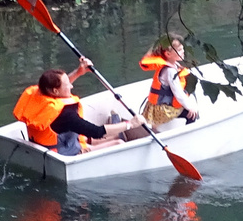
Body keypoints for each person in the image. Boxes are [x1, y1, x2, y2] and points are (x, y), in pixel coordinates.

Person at [12, 57, 143, 155]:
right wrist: (131, 124)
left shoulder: (40, 95)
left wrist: (79, 71)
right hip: (65, 153)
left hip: (46, 148)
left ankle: (116, 133)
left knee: (104, 136)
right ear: (56, 91)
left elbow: (58, 89)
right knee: (119, 143)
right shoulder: (66, 114)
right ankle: (119, 134)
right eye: (68, 84)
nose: (71, 86)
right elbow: (96, 132)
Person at [138, 36, 200, 130]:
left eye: (183, 48)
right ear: (168, 54)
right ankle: (189, 133)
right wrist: (190, 107)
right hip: (162, 110)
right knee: (192, 114)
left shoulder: (173, 65)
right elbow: (178, 92)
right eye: (179, 50)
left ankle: (155, 128)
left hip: (155, 107)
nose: (183, 51)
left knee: (189, 98)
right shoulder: (170, 71)